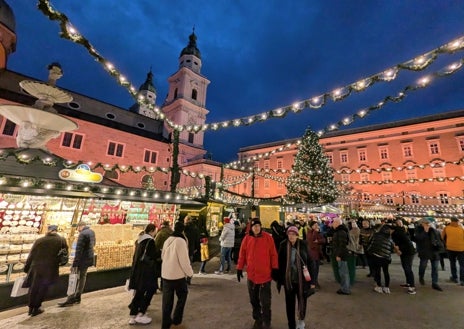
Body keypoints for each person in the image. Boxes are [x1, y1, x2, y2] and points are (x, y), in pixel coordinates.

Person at [236, 218, 278, 329]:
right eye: (254, 226)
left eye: (258, 226)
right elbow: (242, 254)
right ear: (251, 227)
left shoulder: (268, 238)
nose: (256, 228)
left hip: (265, 276)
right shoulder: (247, 238)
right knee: (253, 300)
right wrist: (239, 268)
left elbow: (273, 254)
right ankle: (258, 319)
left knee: (265, 302)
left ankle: (266, 322)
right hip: (252, 276)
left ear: (261, 226)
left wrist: (274, 268)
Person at [23, 225, 67, 316]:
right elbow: (65, 255)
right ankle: (37, 307)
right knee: (43, 287)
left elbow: (31, 255)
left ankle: (31, 308)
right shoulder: (61, 240)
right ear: (56, 230)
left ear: (48, 231)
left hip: (36, 267)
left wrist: (26, 268)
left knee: (34, 287)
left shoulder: (39, 240)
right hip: (50, 268)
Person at [277, 226, 314, 329]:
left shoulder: (303, 244)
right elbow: (279, 263)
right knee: (289, 303)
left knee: (302, 300)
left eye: (293, 234)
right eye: (289, 234)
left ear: (297, 235)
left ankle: (301, 320)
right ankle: (291, 324)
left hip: (301, 280)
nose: (291, 236)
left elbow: (311, 262)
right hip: (289, 280)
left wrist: (312, 281)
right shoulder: (283, 245)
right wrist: (279, 279)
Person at [161, 220, 194, 329]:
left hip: (166, 275)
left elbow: (162, 256)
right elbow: (184, 260)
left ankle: (165, 324)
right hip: (177, 276)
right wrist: (190, 273)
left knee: (167, 302)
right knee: (183, 295)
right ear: (182, 230)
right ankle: (176, 320)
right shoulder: (181, 241)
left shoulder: (168, 240)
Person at [58, 221, 95, 306]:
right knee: (82, 277)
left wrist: (75, 263)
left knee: (73, 278)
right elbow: (93, 245)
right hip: (88, 259)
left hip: (81, 260)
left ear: (79, 227)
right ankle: (78, 297)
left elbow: (78, 251)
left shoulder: (82, 235)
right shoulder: (91, 232)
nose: (77, 230)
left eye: (77, 228)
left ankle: (70, 298)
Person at [127, 223, 159, 325]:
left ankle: (133, 316)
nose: (155, 233)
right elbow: (152, 256)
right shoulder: (150, 241)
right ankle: (141, 313)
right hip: (147, 272)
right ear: (152, 231)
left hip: (137, 271)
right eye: (155, 231)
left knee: (139, 292)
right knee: (150, 290)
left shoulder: (139, 241)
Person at [414, 217, 444, 291]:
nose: (428, 225)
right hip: (424, 251)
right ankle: (421, 276)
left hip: (434, 252)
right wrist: (425, 231)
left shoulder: (434, 230)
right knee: (423, 266)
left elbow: (439, 239)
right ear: (422, 224)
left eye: (429, 223)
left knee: (435, 268)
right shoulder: (418, 230)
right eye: (426, 223)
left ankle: (435, 283)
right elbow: (418, 239)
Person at [366, 223, 394, 294]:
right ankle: (387, 287)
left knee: (377, 271)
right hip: (386, 257)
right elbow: (391, 248)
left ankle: (379, 287)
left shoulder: (375, 235)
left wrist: (369, 252)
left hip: (376, 256)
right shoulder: (389, 238)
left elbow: (370, 244)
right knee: (386, 272)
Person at [391, 218, 417, 294]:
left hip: (408, 252)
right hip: (405, 252)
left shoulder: (399, 233)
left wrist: (399, 249)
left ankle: (412, 287)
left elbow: (407, 243)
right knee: (405, 267)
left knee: (408, 268)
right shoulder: (399, 232)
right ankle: (408, 283)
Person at [441, 217, 464, 286]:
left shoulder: (446, 228)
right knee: (462, 265)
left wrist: (446, 244)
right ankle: (462, 280)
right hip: (461, 248)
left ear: (451, 221)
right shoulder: (461, 228)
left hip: (450, 248)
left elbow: (441, 238)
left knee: (452, 263)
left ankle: (454, 278)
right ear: (457, 221)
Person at [331, 218, 351, 295]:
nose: (332, 224)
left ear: (337, 223)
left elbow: (342, 245)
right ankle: (344, 288)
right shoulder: (339, 231)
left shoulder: (341, 232)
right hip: (341, 254)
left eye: (333, 222)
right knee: (342, 271)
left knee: (343, 272)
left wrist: (339, 255)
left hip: (342, 255)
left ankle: (345, 289)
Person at [306, 220, 325, 289]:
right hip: (312, 254)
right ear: (311, 226)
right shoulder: (310, 233)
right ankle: (312, 283)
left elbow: (323, 240)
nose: (316, 226)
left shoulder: (317, 232)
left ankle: (314, 282)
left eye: (317, 225)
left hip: (317, 254)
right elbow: (311, 242)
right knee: (313, 269)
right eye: (315, 225)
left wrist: (318, 241)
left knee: (316, 269)